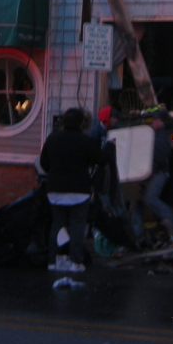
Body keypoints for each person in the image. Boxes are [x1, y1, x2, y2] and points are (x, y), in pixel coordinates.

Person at [39, 107, 108, 272]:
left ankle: (53, 261)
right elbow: (100, 159)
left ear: (63, 122)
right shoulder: (85, 141)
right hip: (79, 191)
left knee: (57, 225)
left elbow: (44, 163)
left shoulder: (53, 138)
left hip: (55, 190)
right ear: (81, 123)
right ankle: (75, 261)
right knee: (77, 226)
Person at [131, 107, 173, 241]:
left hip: (158, 171)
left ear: (162, 122)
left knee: (149, 198)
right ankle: (137, 233)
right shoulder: (154, 134)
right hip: (146, 172)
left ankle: (172, 220)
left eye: (156, 119)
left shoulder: (164, 135)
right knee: (137, 200)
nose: (153, 122)